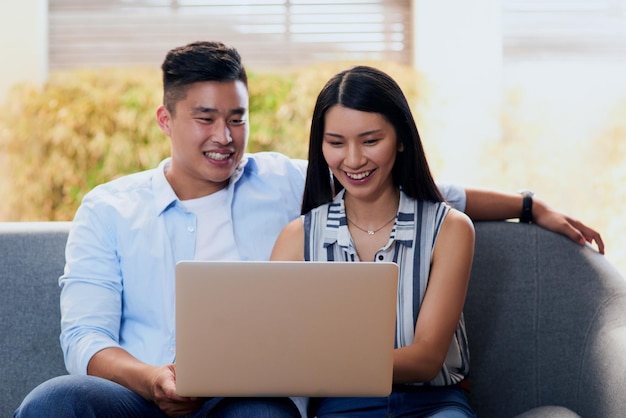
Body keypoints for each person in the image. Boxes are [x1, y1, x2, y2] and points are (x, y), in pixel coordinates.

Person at [13, 40, 603, 418]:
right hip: (138, 394)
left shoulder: (281, 181)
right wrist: (152, 380)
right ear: (166, 120)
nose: (225, 136)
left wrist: (527, 204)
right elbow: (85, 337)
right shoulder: (108, 208)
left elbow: (414, 188)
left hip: (244, 396)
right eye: (206, 119)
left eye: (237, 118)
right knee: (54, 402)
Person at [270, 65, 476, 417]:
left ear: (401, 139)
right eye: (336, 143)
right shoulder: (297, 238)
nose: (352, 160)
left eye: (370, 141)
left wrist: (318, 364)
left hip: (434, 405)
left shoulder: (450, 229)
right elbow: (274, 351)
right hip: (340, 408)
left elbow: (426, 359)